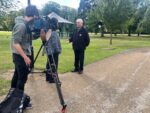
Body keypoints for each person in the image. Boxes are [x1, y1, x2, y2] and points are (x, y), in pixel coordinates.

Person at [10, 5, 39, 108]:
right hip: (20, 56)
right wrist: (25, 57)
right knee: (22, 78)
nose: (35, 20)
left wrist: (38, 34)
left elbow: (26, 39)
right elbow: (16, 43)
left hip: (20, 55)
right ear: (33, 15)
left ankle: (12, 98)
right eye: (35, 18)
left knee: (17, 76)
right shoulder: (21, 25)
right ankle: (18, 103)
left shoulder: (26, 25)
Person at [40, 18, 62, 83]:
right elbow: (55, 43)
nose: (58, 24)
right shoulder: (54, 31)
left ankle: (48, 78)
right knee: (54, 65)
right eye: (57, 23)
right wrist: (58, 50)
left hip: (49, 51)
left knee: (48, 64)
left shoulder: (48, 30)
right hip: (54, 52)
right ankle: (53, 79)